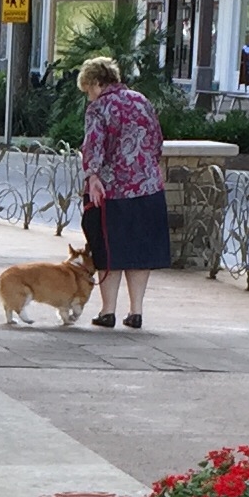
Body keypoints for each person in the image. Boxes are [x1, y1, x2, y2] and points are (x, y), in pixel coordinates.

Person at [75, 55, 169, 332]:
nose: (88, 96)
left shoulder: (99, 107)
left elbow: (93, 145)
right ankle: (136, 312)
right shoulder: (142, 100)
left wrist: (92, 176)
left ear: (95, 83)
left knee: (110, 249)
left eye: (87, 90)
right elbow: (156, 141)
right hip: (148, 187)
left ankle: (108, 311)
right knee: (140, 251)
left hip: (112, 190)